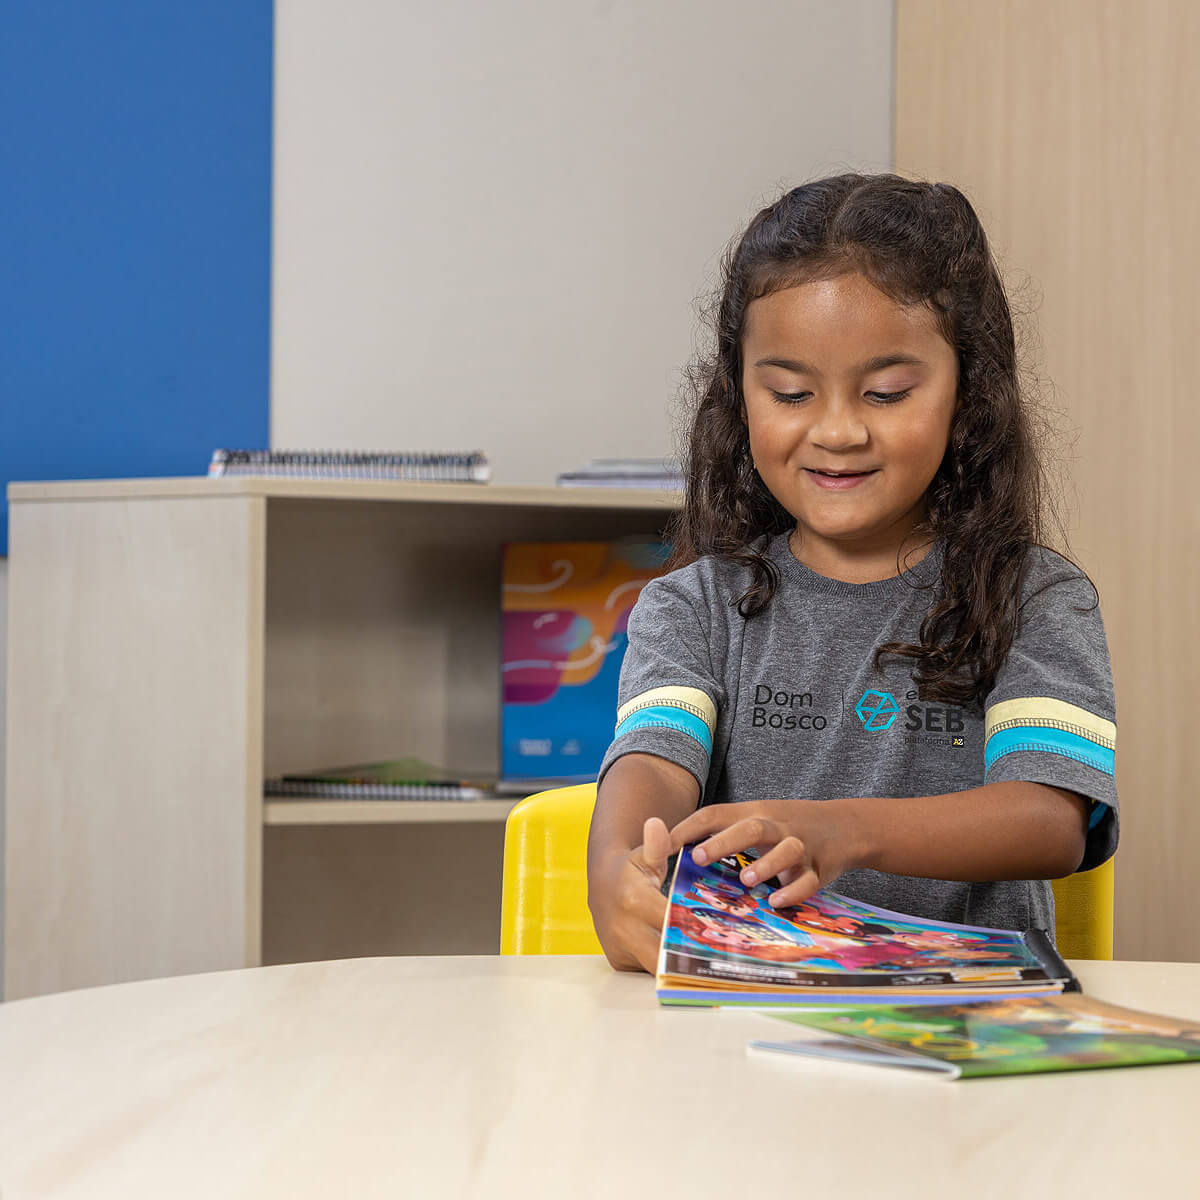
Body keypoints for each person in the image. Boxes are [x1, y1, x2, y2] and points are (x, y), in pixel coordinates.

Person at [586, 173, 1119, 974]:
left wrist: (840, 831)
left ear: (966, 394)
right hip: (749, 1011)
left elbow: (1048, 818)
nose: (837, 431)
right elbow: (654, 764)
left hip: (967, 1017)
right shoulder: (691, 605)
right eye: (791, 392)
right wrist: (613, 872)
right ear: (741, 397)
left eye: (885, 392)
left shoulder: (1036, 598)